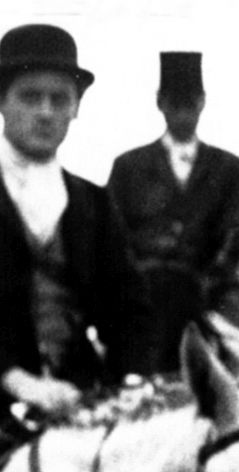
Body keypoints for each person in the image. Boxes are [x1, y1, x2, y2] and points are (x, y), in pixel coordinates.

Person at [0, 24, 154, 421]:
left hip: (79, 396)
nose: (46, 112)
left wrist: (133, 379)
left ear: (76, 108)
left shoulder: (93, 202)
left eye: (60, 99)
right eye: (30, 97)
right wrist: (16, 380)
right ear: (1, 100)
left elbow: (128, 307)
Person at [107, 51, 239, 374]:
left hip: (213, 293)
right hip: (143, 293)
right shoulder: (128, 166)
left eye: (190, 104)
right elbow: (113, 235)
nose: (183, 114)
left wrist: (203, 283)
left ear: (202, 102)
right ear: (160, 103)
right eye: (175, 104)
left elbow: (235, 234)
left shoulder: (229, 168)